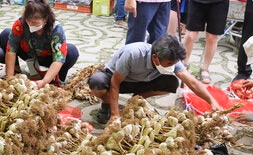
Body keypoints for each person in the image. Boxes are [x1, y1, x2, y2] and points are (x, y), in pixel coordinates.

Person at [88, 35, 221, 124]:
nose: (172, 66)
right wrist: (115, 114)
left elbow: (192, 82)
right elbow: (115, 83)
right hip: (117, 79)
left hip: (142, 81)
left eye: (174, 63)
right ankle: (107, 105)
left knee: (172, 83)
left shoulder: (171, 58)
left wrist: (212, 101)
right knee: (96, 82)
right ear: (155, 58)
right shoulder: (133, 54)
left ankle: (135, 100)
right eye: (169, 64)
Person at [0, 0, 79, 89]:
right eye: (28, 21)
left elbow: (58, 59)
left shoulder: (55, 29)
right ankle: (15, 70)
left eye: (35, 23)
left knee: (71, 51)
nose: (30, 25)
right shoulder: (20, 24)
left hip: (48, 58)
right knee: (5, 34)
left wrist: (44, 81)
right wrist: (9, 78)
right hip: (29, 54)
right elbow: (11, 50)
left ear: (45, 19)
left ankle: (57, 79)